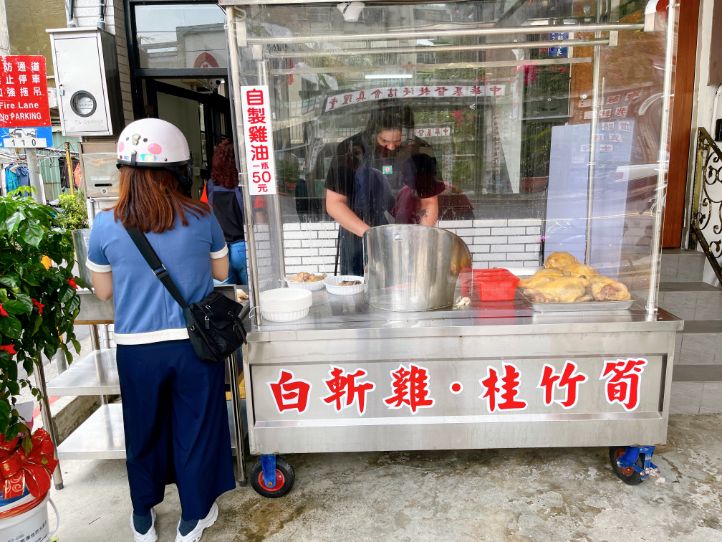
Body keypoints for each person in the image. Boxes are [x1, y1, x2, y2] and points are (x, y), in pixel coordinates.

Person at [86, 118, 235, 542]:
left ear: (124, 172)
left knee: (143, 429)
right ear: (177, 170)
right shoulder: (201, 216)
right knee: (195, 428)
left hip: (137, 350)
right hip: (194, 346)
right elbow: (221, 272)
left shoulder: (105, 223)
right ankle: (192, 519)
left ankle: (142, 518)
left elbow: (104, 290)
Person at [325, 99, 441, 275]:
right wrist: (373, 237)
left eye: (398, 140)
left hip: (408, 241)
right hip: (359, 239)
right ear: (373, 131)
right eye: (384, 140)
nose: (391, 146)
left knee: (406, 288)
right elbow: (334, 203)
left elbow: (429, 203)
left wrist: (419, 238)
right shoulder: (350, 150)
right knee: (359, 294)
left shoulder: (421, 152)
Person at [205, 138, 248, 285]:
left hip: (219, 250)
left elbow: (204, 214)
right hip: (243, 247)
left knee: (228, 298)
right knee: (253, 298)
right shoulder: (244, 186)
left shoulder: (210, 185)